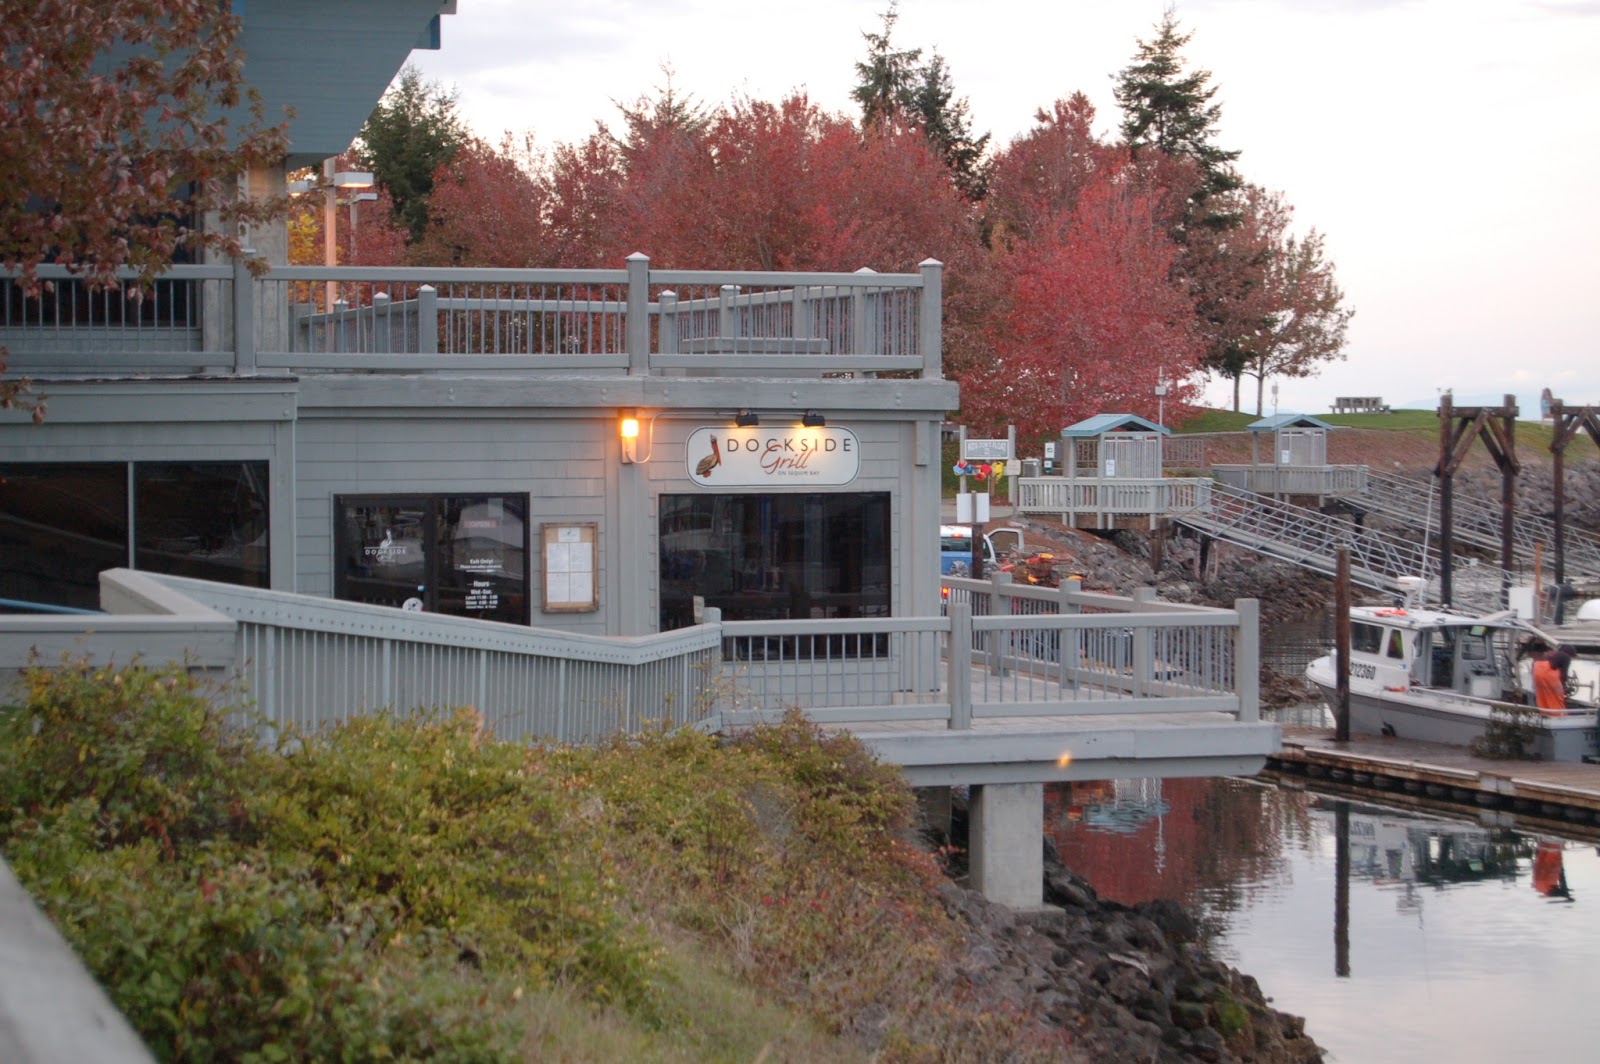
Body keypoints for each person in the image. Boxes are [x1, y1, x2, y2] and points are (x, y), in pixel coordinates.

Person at [1532, 644, 1575, 714]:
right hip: (1547, 671)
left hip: (1537, 668)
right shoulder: (1566, 657)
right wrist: (1563, 690)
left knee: (1543, 695)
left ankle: (1544, 714)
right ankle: (1558, 715)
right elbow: (1563, 675)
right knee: (1556, 697)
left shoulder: (1552, 653)